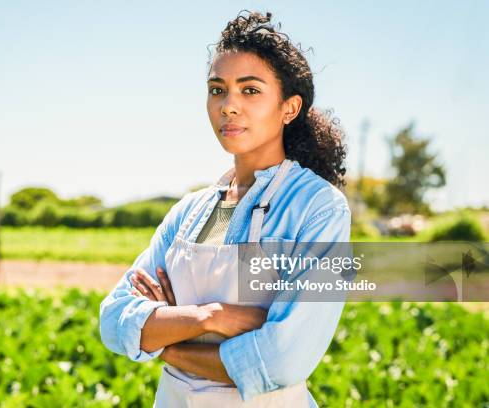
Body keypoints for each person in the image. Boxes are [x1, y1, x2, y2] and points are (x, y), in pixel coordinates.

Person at [100, 10, 350, 407]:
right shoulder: (194, 211)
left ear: (289, 108)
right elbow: (115, 322)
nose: (228, 106)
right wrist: (209, 317)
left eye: (250, 90)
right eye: (218, 89)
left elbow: (282, 360)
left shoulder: (317, 208)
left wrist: (168, 341)